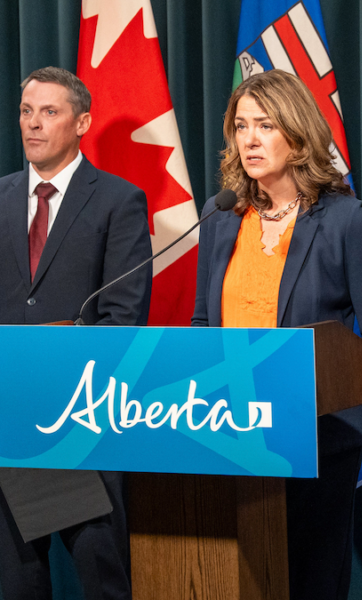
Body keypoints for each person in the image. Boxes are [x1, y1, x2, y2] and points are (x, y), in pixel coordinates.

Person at [192, 70, 362, 600]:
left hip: (317, 434)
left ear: (297, 133)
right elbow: (203, 323)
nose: (250, 140)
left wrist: (324, 378)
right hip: (229, 431)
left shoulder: (342, 219)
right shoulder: (221, 218)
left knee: (309, 582)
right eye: (240, 126)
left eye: (265, 125)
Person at [0, 67, 152, 599]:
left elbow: (124, 317)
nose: (33, 124)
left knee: (102, 576)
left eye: (49, 112)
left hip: (82, 424)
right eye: (25, 111)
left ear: (83, 121)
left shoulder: (118, 200)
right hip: (8, 423)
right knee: (18, 582)